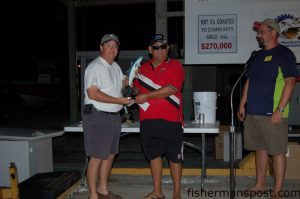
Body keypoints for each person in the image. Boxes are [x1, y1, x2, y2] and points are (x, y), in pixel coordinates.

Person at [238, 19, 297, 198]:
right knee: (260, 149)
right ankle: (259, 185)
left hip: (273, 113)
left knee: (277, 151)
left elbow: (290, 82)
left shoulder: (284, 54)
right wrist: (242, 104)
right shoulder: (257, 56)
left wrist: (279, 109)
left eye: (262, 32)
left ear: (274, 32)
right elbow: (249, 81)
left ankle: (278, 190)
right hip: (254, 111)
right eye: (258, 33)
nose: (258, 36)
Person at [133, 34, 185, 199]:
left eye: (163, 47)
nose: (160, 50)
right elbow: (136, 91)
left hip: (171, 121)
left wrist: (147, 96)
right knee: (153, 156)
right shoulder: (142, 69)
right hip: (147, 120)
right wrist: (128, 86)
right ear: (150, 50)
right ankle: (158, 191)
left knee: (174, 158)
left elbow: (171, 89)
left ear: (167, 48)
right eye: (156, 47)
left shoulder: (175, 65)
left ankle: (177, 193)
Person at [82, 33, 133, 199]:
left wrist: (130, 79)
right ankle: (93, 195)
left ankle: (103, 190)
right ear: (101, 47)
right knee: (96, 156)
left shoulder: (115, 67)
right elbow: (93, 93)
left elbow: (124, 83)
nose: (112, 49)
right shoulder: (96, 66)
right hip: (98, 116)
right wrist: (118, 100)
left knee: (110, 155)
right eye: (108, 45)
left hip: (113, 116)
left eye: (115, 46)